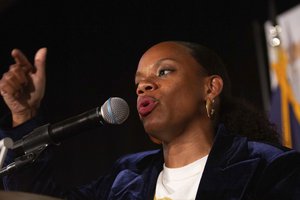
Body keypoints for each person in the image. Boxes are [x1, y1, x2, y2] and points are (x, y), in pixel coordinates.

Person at [0, 41, 299, 200]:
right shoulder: (127, 177)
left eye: (164, 72)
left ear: (211, 87)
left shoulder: (269, 168)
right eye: (138, 83)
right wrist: (24, 114)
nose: (144, 86)